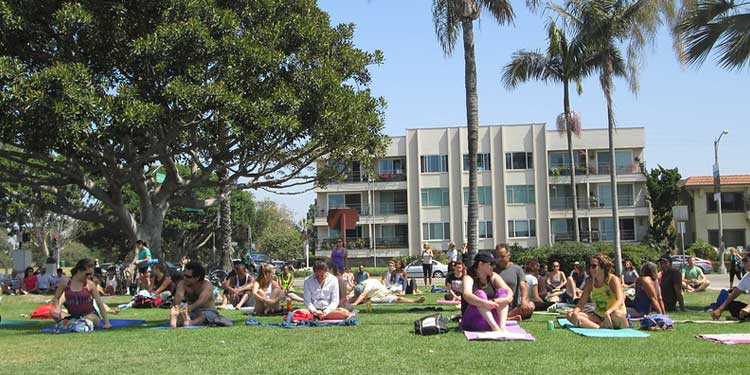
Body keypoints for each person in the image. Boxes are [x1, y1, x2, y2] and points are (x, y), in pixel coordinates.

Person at [566, 254, 628, 329]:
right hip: (598, 316)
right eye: (590, 266)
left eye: (594, 266)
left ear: (603, 268)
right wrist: (575, 312)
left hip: (613, 314)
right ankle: (600, 327)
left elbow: (620, 300)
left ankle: (598, 326)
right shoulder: (590, 282)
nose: (591, 269)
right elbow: (582, 302)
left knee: (618, 314)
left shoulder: (613, 280)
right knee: (570, 314)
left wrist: (608, 312)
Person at [50, 259, 112, 329]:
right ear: (79, 270)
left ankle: (69, 324)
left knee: (92, 318)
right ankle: (75, 324)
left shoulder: (90, 284)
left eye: (91, 274)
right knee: (53, 312)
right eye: (87, 274)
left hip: (89, 315)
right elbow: (56, 298)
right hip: (72, 316)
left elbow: (99, 303)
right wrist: (57, 308)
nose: (89, 276)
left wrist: (107, 322)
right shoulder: (65, 282)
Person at [460, 253, 513, 332]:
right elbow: (467, 295)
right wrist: (484, 303)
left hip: (489, 319)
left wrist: (505, 300)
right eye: (491, 264)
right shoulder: (468, 277)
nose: (494, 266)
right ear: (481, 264)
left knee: (503, 292)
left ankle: (502, 327)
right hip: (472, 321)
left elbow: (509, 291)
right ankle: (495, 328)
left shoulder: (493, 276)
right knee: (480, 294)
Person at [170, 261, 231, 327]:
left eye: (188, 276)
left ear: (197, 277)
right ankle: (177, 321)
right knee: (180, 318)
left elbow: (202, 300)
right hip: (191, 312)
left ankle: (190, 322)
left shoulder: (207, 285)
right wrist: (175, 308)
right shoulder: (182, 284)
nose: (184, 278)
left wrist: (190, 307)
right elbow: (178, 297)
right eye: (184, 275)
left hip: (207, 310)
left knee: (204, 316)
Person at [495, 244, 534, 320]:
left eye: (502, 256)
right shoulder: (493, 270)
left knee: (531, 306)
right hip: (498, 305)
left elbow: (523, 286)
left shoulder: (517, 269)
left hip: (513, 308)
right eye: (497, 257)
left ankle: (507, 317)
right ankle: (507, 318)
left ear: (509, 255)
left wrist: (523, 301)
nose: (499, 259)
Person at [711, 255, 750, 321]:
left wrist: (748, 308)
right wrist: (720, 309)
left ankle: (743, 317)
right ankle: (744, 317)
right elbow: (734, 294)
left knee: (746, 310)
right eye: (743, 262)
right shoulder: (746, 277)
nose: (743, 264)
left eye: (746, 261)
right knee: (731, 304)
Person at [350, 278, 425, 305]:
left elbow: (362, 295)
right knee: (354, 299)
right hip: (374, 296)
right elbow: (352, 295)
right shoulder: (362, 284)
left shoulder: (368, 285)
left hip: (380, 296)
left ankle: (415, 301)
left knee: (399, 299)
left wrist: (355, 304)